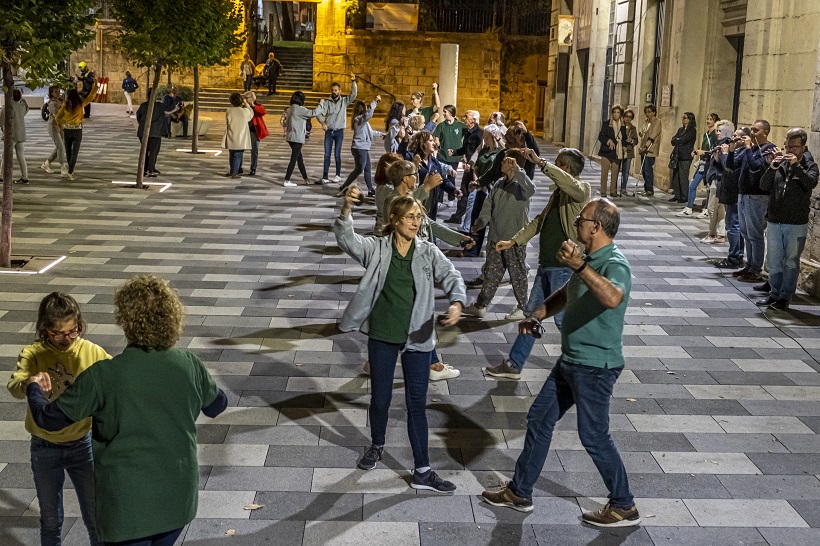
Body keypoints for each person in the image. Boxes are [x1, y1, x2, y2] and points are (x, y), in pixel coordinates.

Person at [24, 276, 228, 545]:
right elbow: (217, 405)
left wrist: (33, 389)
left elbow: (48, 419)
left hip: (127, 508)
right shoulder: (189, 364)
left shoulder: (104, 376)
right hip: (178, 500)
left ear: (126, 320)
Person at [481, 199, 640, 528]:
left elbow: (612, 297)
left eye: (582, 219)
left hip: (596, 366)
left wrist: (581, 266)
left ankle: (623, 504)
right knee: (539, 418)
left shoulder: (614, 262)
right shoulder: (592, 260)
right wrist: (539, 312)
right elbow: (569, 293)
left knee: (594, 436)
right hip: (571, 361)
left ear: (596, 227)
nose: (577, 223)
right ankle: (520, 491)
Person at [333, 190, 466, 493]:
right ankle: (377, 445)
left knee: (416, 405)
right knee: (380, 399)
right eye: (409, 217)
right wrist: (346, 211)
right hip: (382, 335)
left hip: (418, 340)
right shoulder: (377, 248)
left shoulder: (428, 251)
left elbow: (451, 274)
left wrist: (457, 302)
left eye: (419, 217)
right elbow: (348, 241)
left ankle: (423, 470)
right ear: (393, 219)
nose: (415, 222)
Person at [7, 293, 110, 546]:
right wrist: (28, 383)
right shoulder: (33, 353)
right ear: (45, 330)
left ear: (79, 326)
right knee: (51, 519)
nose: (66, 339)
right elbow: (13, 385)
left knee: (96, 518)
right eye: (58, 333)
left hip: (81, 444)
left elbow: (116, 375)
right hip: (44, 446)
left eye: (72, 331)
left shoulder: (91, 351)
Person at [485, 147, 591, 379]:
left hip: (563, 267)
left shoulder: (580, 191)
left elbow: (570, 184)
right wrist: (513, 241)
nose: (554, 167)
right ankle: (514, 365)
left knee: (564, 321)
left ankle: (585, 365)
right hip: (547, 265)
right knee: (532, 315)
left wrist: (541, 163)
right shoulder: (558, 195)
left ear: (567, 169)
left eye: (558, 164)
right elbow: (539, 221)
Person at [463, 149, 536, 320]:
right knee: (491, 273)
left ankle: (523, 307)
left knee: (517, 274)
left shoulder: (522, 185)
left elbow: (531, 189)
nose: (500, 163)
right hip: (496, 238)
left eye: (504, 160)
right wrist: (480, 222)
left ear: (512, 163)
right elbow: (489, 205)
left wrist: (518, 170)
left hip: (514, 240)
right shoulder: (498, 184)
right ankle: (481, 306)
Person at [757, 128, 819, 310]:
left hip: (796, 222)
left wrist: (796, 166)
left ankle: (786, 296)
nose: (790, 150)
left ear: (804, 147)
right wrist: (771, 167)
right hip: (775, 220)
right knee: (774, 260)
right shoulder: (781, 164)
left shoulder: (810, 166)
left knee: (791, 260)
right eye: (788, 146)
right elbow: (763, 185)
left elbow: (810, 183)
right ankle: (774, 293)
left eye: (795, 147)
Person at [735, 119, 778, 283]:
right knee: (745, 232)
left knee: (755, 234)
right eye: (751, 129)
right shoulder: (751, 149)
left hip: (758, 196)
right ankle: (750, 264)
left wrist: (746, 148)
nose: (751, 133)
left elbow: (755, 167)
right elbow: (733, 165)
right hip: (744, 194)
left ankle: (756, 269)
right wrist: (732, 150)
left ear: (765, 132)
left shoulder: (768, 149)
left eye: (756, 130)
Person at [715, 126, 751, 271]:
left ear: (743, 139)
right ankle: (735, 255)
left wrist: (725, 153)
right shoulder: (736, 150)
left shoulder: (743, 153)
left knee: (734, 226)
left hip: (735, 193)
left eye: (737, 136)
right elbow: (723, 167)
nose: (733, 139)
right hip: (729, 192)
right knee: (732, 226)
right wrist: (719, 156)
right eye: (733, 136)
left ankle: (735, 257)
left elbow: (730, 167)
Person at [408, 130, 457, 222]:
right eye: (430, 141)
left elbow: (441, 179)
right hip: (416, 201)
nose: (434, 143)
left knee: (430, 228)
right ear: (423, 143)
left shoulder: (433, 161)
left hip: (431, 204)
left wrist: (453, 190)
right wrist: (414, 165)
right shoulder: (411, 157)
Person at [317, 74, 357, 184]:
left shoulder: (344, 101)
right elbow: (319, 113)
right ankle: (325, 176)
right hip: (329, 132)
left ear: (340, 91)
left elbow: (353, 95)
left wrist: (353, 82)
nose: (334, 92)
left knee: (337, 154)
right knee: (327, 154)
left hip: (339, 131)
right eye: (333, 90)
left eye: (336, 90)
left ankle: (337, 175)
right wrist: (322, 122)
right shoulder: (327, 102)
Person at [338, 96, 382, 197]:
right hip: (360, 148)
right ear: (362, 109)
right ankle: (344, 186)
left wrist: (381, 134)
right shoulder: (359, 120)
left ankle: (371, 190)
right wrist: (374, 102)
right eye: (365, 108)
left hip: (363, 148)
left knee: (367, 168)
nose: (367, 109)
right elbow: (368, 115)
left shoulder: (363, 122)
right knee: (359, 169)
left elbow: (371, 132)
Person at [445, 110, 483, 224]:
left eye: (467, 117)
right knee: (464, 189)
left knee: (473, 190)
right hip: (467, 166)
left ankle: (473, 217)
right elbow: (465, 149)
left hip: (474, 167)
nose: (464, 118)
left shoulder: (479, 133)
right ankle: (458, 215)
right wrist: (455, 152)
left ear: (474, 120)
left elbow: (479, 152)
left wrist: (471, 164)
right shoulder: (466, 132)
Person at [678, 113, 719, 216]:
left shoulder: (715, 135)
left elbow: (715, 150)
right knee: (692, 185)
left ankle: (706, 210)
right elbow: (704, 147)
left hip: (710, 163)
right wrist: (697, 151)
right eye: (707, 119)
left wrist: (704, 152)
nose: (708, 121)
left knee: (709, 187)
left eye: (711, 119)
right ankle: (689, 207)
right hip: (702, 162)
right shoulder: (706, 134)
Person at [700, 120, 733, 247]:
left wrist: (720, 155)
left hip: (720, 180)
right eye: (717, 130)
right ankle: (719, 234)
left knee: (713, 208)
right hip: (714, 178)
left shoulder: (727, 146)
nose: (718, 133)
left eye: (720, 131)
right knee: (717, 208)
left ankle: (714, 234)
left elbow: (725, 165)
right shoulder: (718, 144)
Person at [55, 84, 98, 181]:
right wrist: (95, 87)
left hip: (67, 130)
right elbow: (90, 97)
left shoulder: (65, 105)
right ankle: (70, 171)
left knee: (68, 150)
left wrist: (61, 126)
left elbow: (58, 117)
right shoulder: (80, 103)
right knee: (75, 152)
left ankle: (70, 170)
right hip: (77, 130)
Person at [281, 91, 319, 187]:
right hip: (297, 137)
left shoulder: (290, 109)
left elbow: (285, 123)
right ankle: (287, 180)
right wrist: (321, 105)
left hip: (290, 137)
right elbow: (313, 113)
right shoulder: (300, 109)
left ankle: (305, 178)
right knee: (294, 159)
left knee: (299, 158)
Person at [136, 90, 176, 178]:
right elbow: (170, 108)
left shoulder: (143, 105)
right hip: (155, 132)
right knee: (153, 151)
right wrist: (173, 99)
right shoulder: (159, 106)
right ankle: (150, 170)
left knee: (145, 151)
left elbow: (138, 116)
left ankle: (146, 169)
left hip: (143, 132)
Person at [0, 89, 30, 184]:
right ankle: (25, 177)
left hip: (11, 135)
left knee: (6, 156)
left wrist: (3, 130)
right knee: (21, 156)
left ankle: (1, 175)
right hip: (21, 134)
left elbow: (1, 121)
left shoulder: (7, 107)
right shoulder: (22, 106)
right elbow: (27, 108)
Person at [221, 92, 254, 179]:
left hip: (231, 134)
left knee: (232, 154)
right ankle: (234, 173)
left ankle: (233, 170)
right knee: (238, 155)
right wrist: (246, 104)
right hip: (241, 135)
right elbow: (251, 113)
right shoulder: (244, 111)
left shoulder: (229, 111)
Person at [597, 105, 626, 198]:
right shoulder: (607, 123)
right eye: (614, 112)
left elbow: (624, 138)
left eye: (618, 113)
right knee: (604, 172)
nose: (616, 114)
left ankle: (613, 191)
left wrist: (624, 146)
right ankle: (603, 191)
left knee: (615, 172)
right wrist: (608, 140)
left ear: (620, 114)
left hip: (617, 152)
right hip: (607, 151)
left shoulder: (623, 125)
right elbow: (601, 136)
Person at [669, 112, 697, 203]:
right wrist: (677, 140)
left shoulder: (692, 130)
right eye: (683, 117)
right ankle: (677, 195)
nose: (683, 119)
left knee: (683, 176)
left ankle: (684, 196)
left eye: (685, 118)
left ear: (690, 119)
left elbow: (684, 140)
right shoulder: (680, 130)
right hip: (677, 155)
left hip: (685, 156)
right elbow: (673, 140)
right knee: (675, 176)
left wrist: (678, 140)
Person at [41, 85, 68, 177]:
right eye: (56, 91)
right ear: (51, 93)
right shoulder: (52, 103)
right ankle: (63, 167)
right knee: (60, 147)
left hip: (60, 126)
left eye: (59, 91)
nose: (58, 93)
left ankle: (47, 163)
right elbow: (57, 115)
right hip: (53, 126)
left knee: (60, 146)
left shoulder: (60, 101)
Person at [638, 105, 661, 196]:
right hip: (643, 148)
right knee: (643, 170)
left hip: (650, 149)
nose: (648, 114)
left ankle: (650, 189)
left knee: (648, 169)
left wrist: (645, 147)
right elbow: (643, 132)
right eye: (646, 112)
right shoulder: (647, 121)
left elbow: (653, 136)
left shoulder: (657, 122)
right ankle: (646, 187)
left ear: (654, 112)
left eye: (650, 112)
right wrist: (641, 133)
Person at [244, 91, 268, 176]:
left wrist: (253, 105)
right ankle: (238, 167)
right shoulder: (244, 107)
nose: (245, 100)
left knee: (254, 151)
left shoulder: (258, 106)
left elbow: (263, 112)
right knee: (240, 149)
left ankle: (253, 168)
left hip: (254, 131)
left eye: (247, 98)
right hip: (245, 131)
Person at [619, 109, 639, 196]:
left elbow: (636, 140)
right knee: (617, 170)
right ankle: (615, 187)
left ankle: (624, 188)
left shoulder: (633, 128)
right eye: (626, 116)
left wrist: (632, 141)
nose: (628, 118)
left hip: (629, 151)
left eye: (630, 117)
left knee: (626, 171)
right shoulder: (619, 126)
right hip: (619, 150)